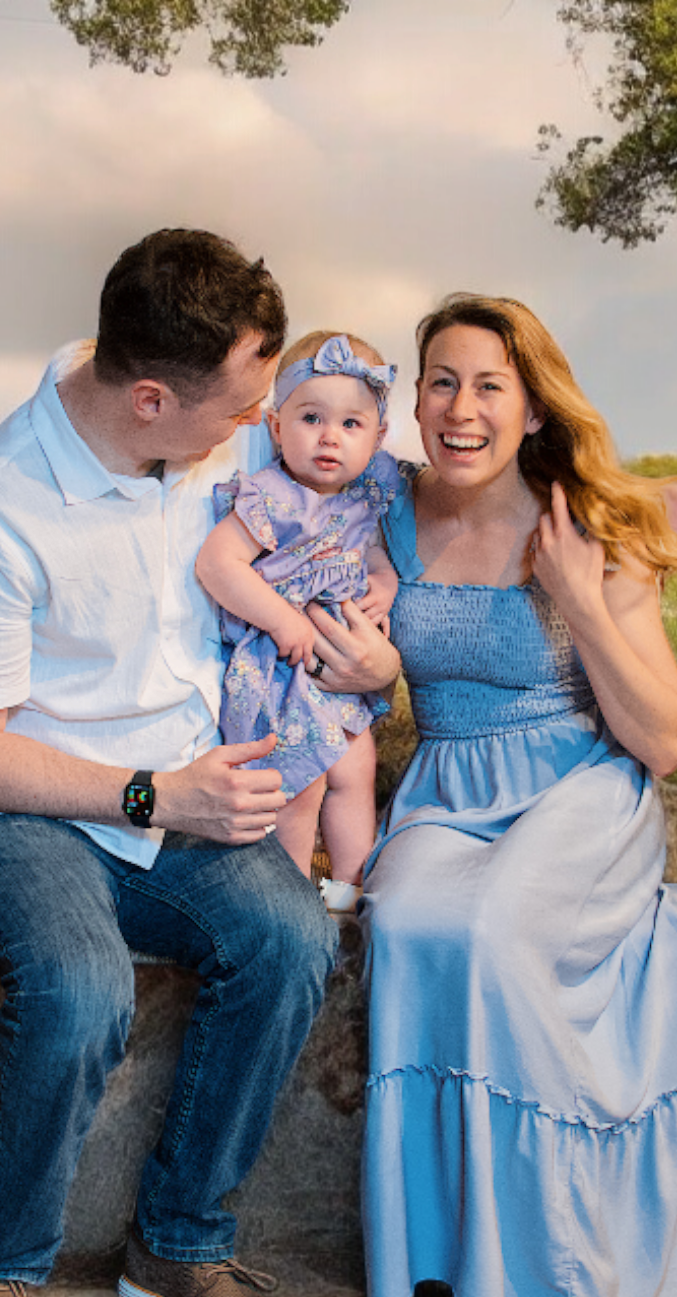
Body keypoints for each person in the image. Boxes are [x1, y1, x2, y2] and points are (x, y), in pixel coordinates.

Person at [0, 229, 399, 1297]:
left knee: (287, 940)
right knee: (79, 989)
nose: (260, 425)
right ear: (149, 400)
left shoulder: (211, 438)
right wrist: (155, 796)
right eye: (242, 407)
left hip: (183, 786)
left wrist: (374, 657)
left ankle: (177, 1243)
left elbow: (366, 474)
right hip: (25, 807)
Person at [360, 294, 677, 1297]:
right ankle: (470, 1253)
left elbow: (663, 739)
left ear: (531, 408)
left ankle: (557, 1272)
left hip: (579, 782)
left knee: (499, 933)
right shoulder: (383, 510)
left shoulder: (587, 524)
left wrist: (582, 599)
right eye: (440, 382)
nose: (460, 409)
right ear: (413, 400)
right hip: (448, 786)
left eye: (488, 386)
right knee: (407, 925)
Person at [196, 330, 403, 895]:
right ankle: (291, 897)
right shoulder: (271, 496)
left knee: (356, 771)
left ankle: (348, 894)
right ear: (275, 426)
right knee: (301, 786)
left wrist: (384, 582)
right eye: (311, 418)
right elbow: (217, 563)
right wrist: (282, 619)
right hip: (282, 666)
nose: (330, 437)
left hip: (338, 670)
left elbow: (372, 550)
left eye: (351, 424)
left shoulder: (365, 495)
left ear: (378, 437)